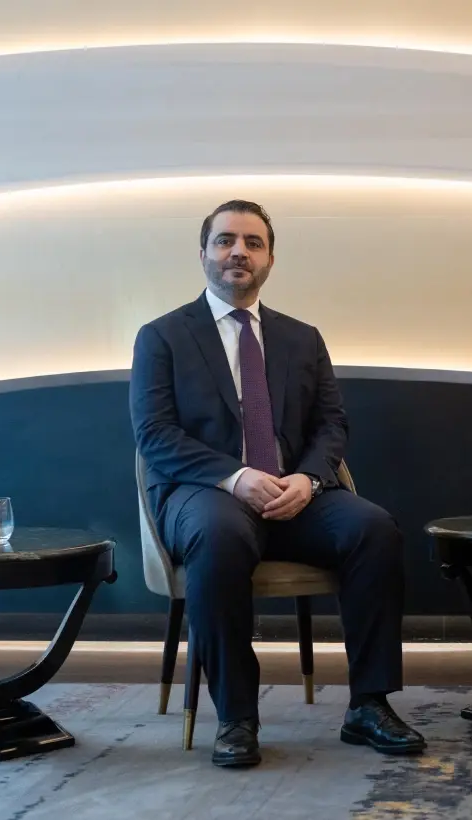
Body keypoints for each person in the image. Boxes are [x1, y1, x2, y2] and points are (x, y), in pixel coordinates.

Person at [130, 200, 425, 768]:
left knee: (375, 529)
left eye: (253, 242)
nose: (238, 251)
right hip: (205, 494)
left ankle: (369, 704)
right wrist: (236, 477)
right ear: (203, 254)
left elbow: (332, 425)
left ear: (269, 259)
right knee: (219, 537)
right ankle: (237, 716)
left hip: (296, 495)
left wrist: (309, 480)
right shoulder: (162, 337)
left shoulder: (302, 338)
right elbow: (155, 435)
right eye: (225, 240)